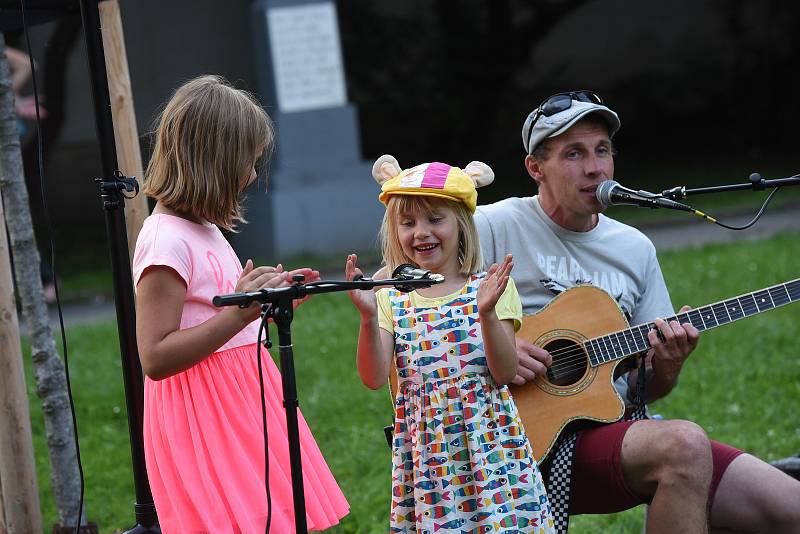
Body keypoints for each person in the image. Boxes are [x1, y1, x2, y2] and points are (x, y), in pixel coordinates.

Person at [474, 90, 800, 533]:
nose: (595, 167)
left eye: (603, 150)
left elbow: (645, 389)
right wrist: (494, 343)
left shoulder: (633, 247)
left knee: (788, 507)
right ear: (535, 168)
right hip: (504, 442)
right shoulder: (493, 225)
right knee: (683, 445)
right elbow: (408, 293)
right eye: (574, 154)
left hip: (610, 431)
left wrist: (666, 364)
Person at [132, 75, 349, 533]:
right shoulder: (163, 239)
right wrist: (238, 315)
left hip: (244, 400)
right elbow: (154, 356)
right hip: (203, 416)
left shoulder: (205, 228)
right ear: (212, 162)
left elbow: (223, 317)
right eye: (246, 163)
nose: (252, 175)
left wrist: (266, 300)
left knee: (272, 518)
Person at [345, 155, 555, 534]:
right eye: (407, 223)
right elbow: (374, 377)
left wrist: (487, 314)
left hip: (490, 448)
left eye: (434, 219)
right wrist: (365, 317)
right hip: (429, 460)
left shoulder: (488, 288)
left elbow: (505, 372)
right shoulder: (392, 296)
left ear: (460, 224)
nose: (420, 232)